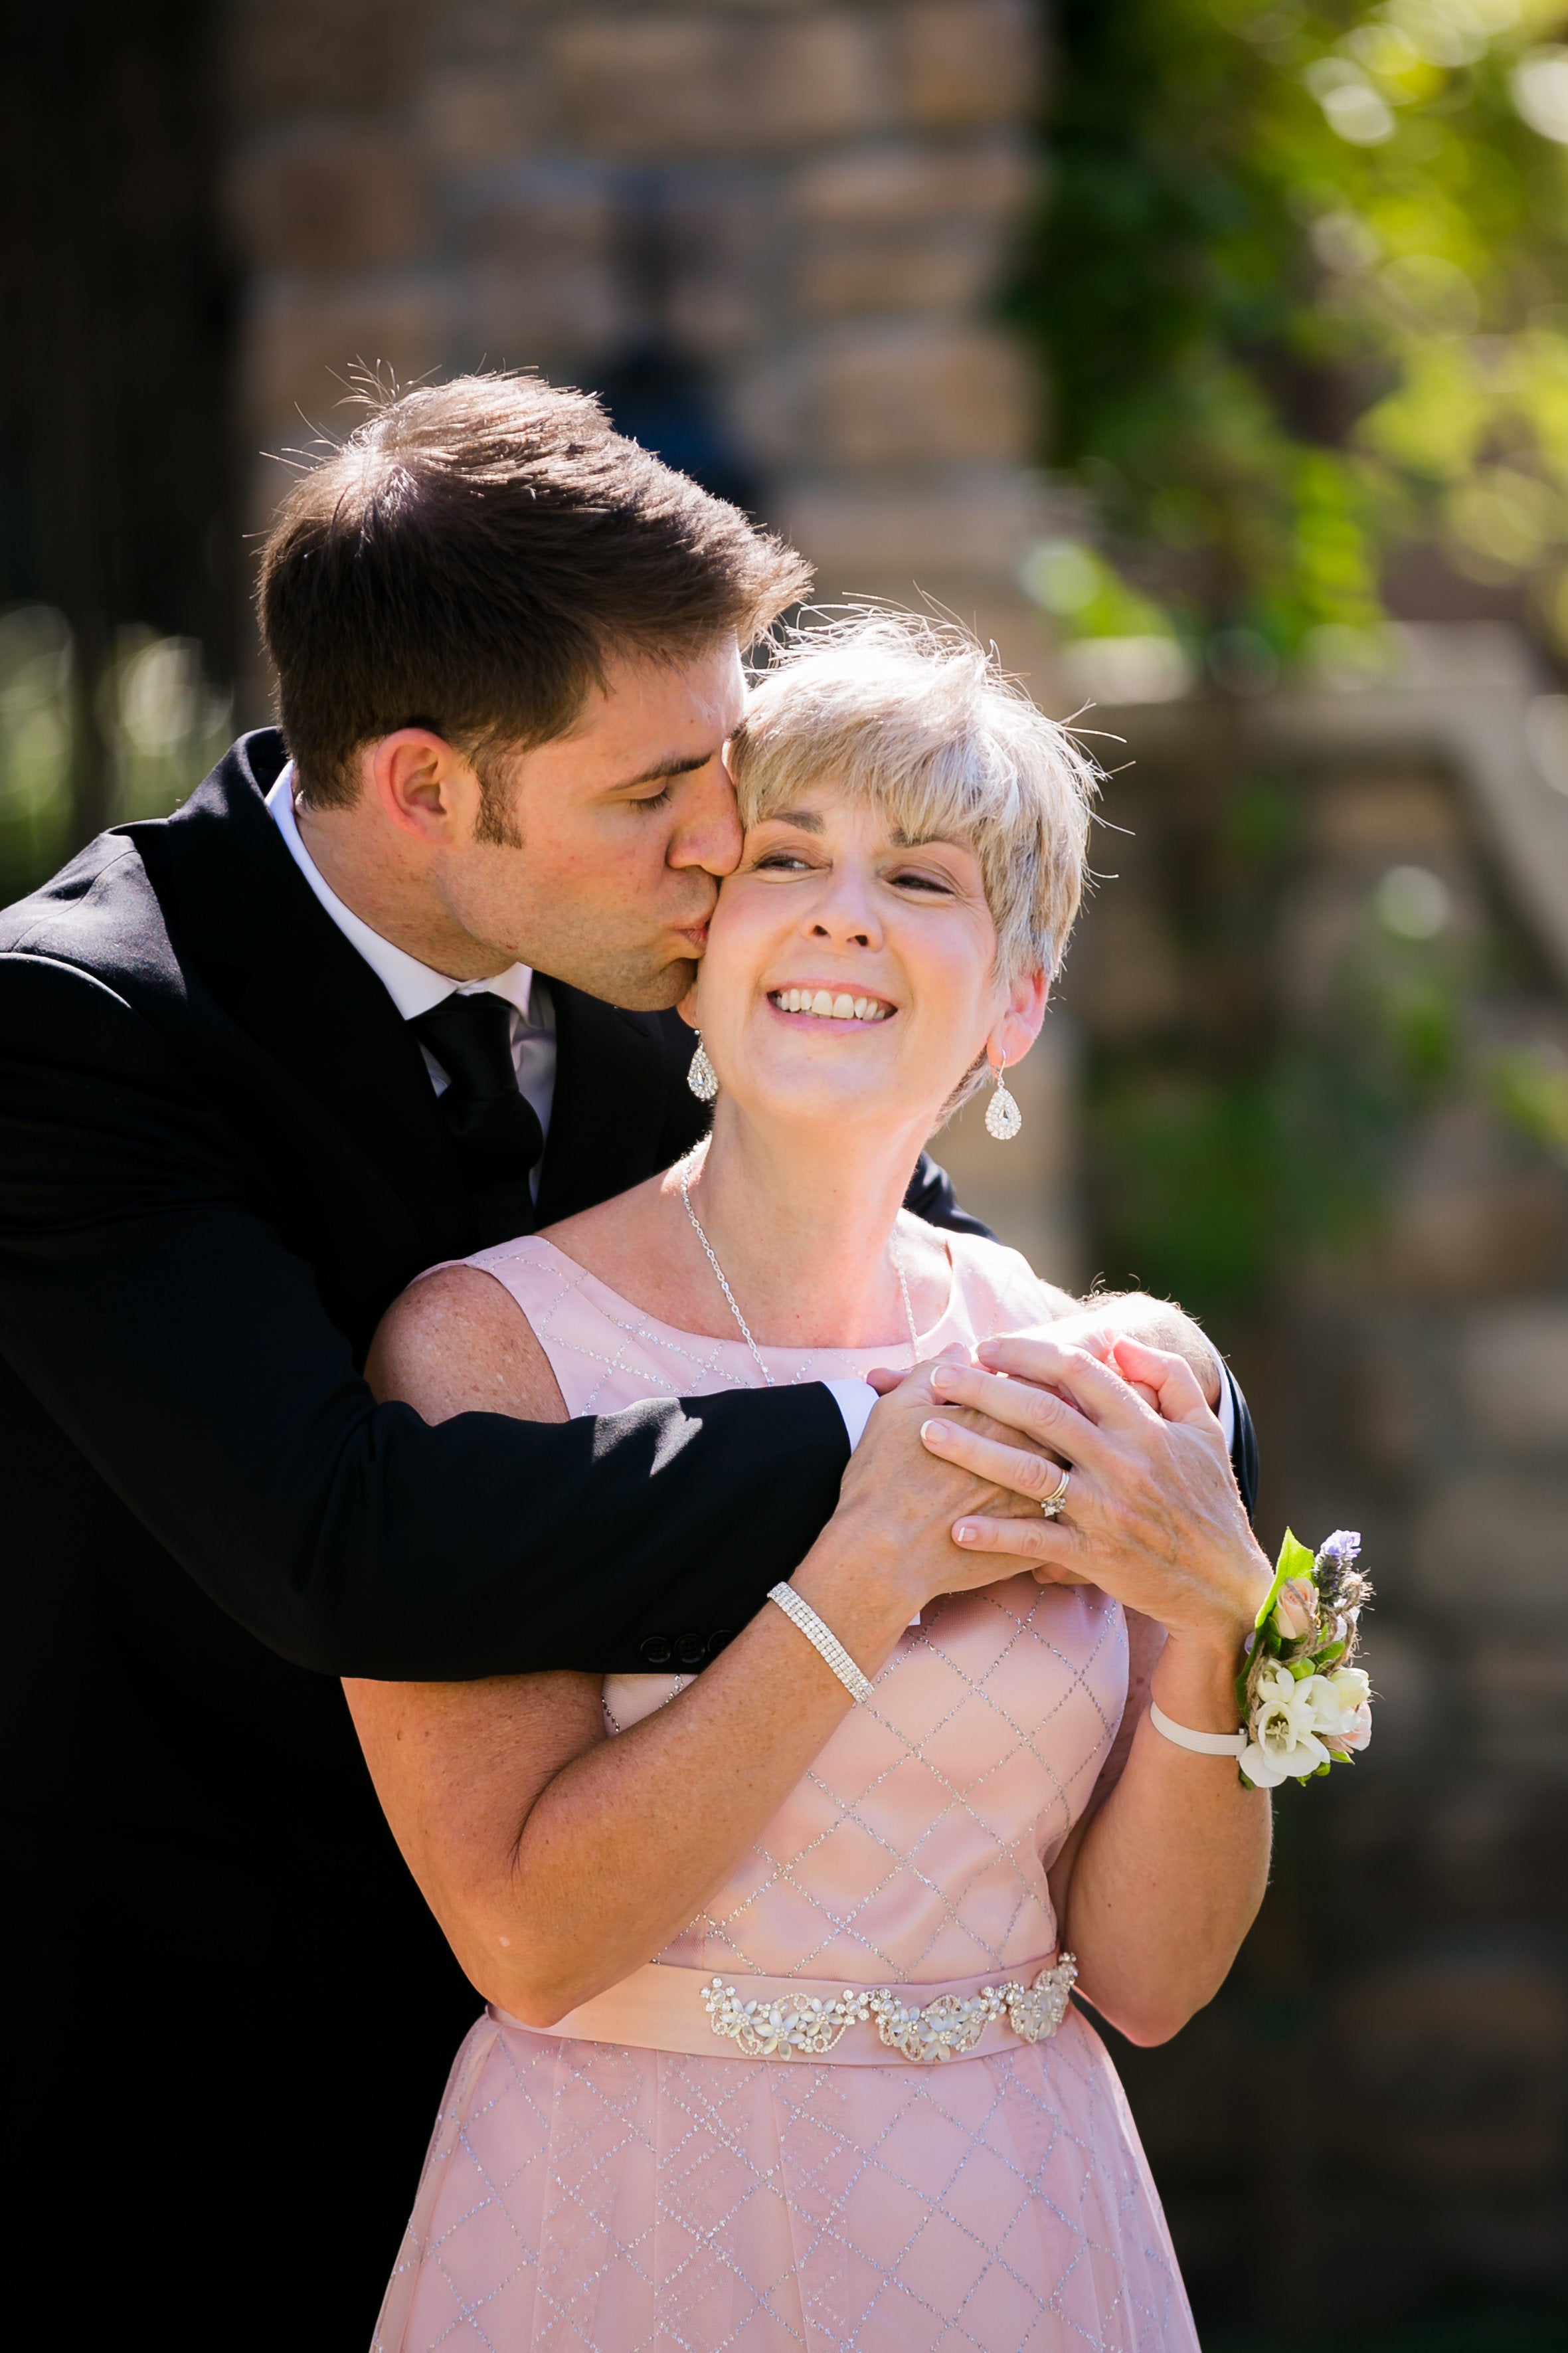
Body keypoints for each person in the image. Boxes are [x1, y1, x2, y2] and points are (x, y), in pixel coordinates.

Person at [0, 376, 1257, 2348]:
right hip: (200, 2057)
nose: (722, 846)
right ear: (427, 790)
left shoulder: (646, 950)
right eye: (654, 793)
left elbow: (937, 1270)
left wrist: (1153, 1426)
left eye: (719, 767)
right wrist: (926, 1465)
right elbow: (344, 1541)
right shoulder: (78, 1028)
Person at [355, 614, 1271, 2353]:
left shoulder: (1109, 1376)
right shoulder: (489, 1352)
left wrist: (1220, 1625)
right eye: (788, 858)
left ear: (1015, 1000)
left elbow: (1150, 1984)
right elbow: (530, 1946)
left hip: (1015, 2208)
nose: (845, 911)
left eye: (920, 877)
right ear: (698, 946)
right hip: (620, 2213)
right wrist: (862, 1572)